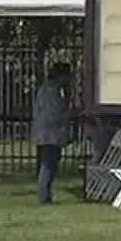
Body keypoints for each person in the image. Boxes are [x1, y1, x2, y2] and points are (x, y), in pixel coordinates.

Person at [30, 62, 73, 205]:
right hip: (50, 133)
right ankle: (44, 196)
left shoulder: (45, 88)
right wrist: (71, 113)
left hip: (43, 131)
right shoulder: (53, 91)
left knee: (47, 163)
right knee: (48, 164)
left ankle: (45, 195)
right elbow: (56, 113)